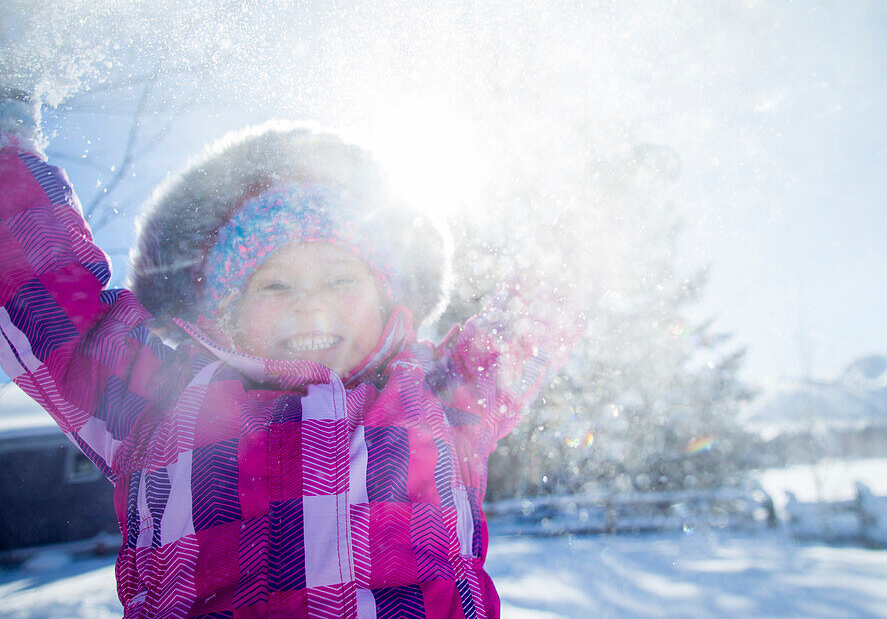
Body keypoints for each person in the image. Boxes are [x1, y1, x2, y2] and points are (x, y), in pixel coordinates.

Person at [0, 92, 582, 618]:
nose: (309, 306)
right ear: (226, 315)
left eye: (340, 280)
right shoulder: (157, 402)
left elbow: (532, 320)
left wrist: (596, 213)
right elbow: (44, 292)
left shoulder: (439, 397)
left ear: (386, 303)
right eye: (274, 285)